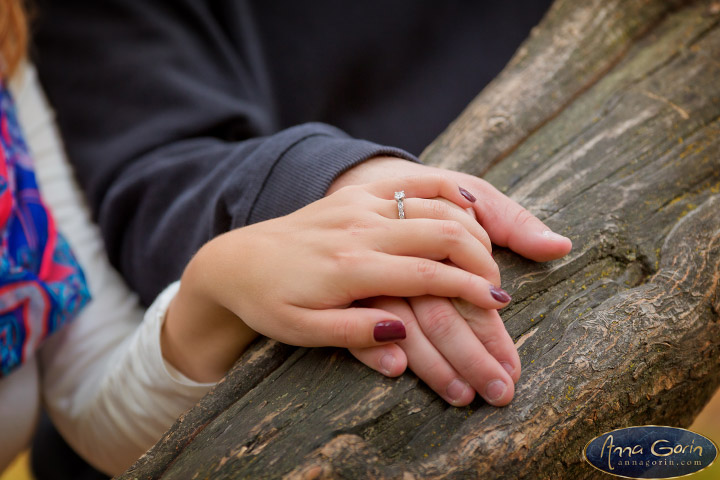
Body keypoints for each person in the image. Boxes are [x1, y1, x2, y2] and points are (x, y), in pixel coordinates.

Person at [2, 0, 570, 476]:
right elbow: (148, 165)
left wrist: (216, 282)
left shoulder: (8, 58)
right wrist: (310, 188)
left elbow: (92, 400)